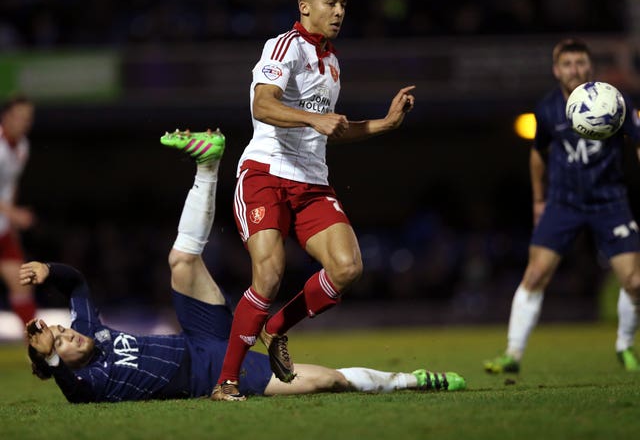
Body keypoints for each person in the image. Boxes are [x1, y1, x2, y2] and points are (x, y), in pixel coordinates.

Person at [24, 130, 466, 403]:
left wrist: (49, 267)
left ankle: (208, 164)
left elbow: (77, 283)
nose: (69, 333)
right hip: (207, 373)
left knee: (180, 261)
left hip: (199, 333)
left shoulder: (92, 334)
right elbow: (75, 395)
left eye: (62, 330)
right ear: (60, 362)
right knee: (323, 381)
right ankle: (412, 380)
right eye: (62, 341)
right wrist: (56, 364)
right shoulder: (91, 383)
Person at [213, 0, 416, 401]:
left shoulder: (333, 62)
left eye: (343, 4)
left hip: (312, 183)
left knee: (347, 268)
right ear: (305, 6)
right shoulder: (283, 46)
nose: (339, 11)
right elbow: (263, 105)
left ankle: (277, 327)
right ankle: (226, 381)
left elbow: (334, 128)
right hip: (265, 175)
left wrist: (386, 123)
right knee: (268, 275)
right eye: (331, 2)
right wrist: (313, 118)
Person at [484, 38, 640, 374]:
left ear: (590, 66)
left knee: (635, 282)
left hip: (610, 201)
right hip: (563, 202)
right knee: (535, 273)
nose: (575, 70)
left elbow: (638, 138)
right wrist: (539, 199)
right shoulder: (547, 109)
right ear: (557, 70)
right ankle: (512, 353)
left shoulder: (616, 101)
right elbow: (539, 155)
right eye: (568, 64)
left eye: (581, 63)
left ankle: (625, 346)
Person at [0, 94, 37, 326]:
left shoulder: (23, 147)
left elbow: (11, 186)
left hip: (2, 229)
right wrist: (13, 214)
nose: (24, 123)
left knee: (22, 284)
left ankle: (38, 354)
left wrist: (11, 222)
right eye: (19, 117)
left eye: (28, 119)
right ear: (5, 117)